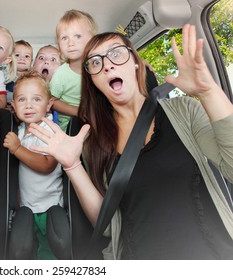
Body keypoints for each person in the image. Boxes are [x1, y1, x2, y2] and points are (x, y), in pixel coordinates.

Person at [28, 24, 233, 259]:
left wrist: (208, 92)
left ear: (135, 61)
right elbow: (107, 224)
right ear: (93, 80)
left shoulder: (184, 110)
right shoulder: (93, 141)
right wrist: (72, 166)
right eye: (95, 62)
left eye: (116, 53)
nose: (107, 65)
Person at [3, 70, 63, 259]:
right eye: (21, 100)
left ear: (49, 105)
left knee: (49, 252)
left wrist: (18, 149)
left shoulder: (50, 130)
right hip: (27, 207)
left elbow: (47, 165)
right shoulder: (20, 130)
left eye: (36, 99)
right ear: (13, 106)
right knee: (27, 252)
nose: (28, 105)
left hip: (48, 206)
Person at [50, 9, 97, 131]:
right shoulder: (61, 74)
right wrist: (79, 112)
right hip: (70, 127)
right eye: (64, 38)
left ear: (92, 40)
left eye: (78, 36)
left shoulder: (100, 68)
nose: (71, 43)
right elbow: (52, 101)